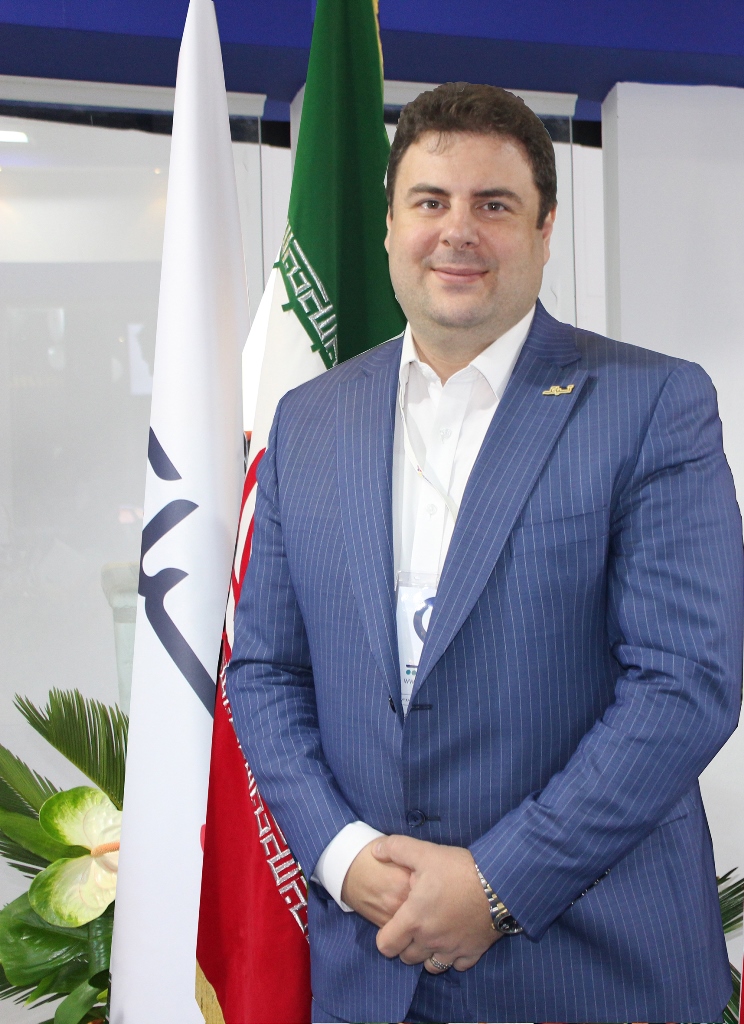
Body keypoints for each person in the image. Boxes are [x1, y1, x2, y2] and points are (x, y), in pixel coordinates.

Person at [227, 82, 743, 1024]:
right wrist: (342, 855)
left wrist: (497, 885)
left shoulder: (653, 405)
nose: (457, 231)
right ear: (390, 226)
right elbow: (265, 667)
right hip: (368, 969)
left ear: (545, 231)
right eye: (430, 201)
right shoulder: (309, 420)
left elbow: (686, 682)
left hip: (592, 977)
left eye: (494, 205)